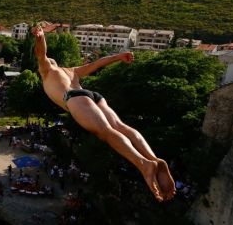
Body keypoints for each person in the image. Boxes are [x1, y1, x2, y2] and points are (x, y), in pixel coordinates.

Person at [31, 25, 176, 202]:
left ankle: (143, 163)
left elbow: (41, 53)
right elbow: (98, 63)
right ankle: (154, 158)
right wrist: (119, 56)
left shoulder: (47, 71)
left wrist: (40, 36)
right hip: (94, 96)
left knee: (106, 132)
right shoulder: (71, 70)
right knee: (120, 126)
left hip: (74, 97)